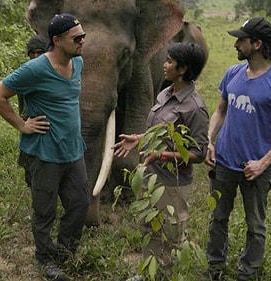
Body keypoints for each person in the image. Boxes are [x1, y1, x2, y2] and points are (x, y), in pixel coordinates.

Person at [0, 13, 89, 281]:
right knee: (44, 210)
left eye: (83, 36)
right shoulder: (35, 69)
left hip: (73, 150)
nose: (82, 41)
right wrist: (22, 125)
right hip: (45, 153)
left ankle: (65, 252)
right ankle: (44, 259)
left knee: (80, 204)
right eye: (76, 38)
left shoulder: (78, 63)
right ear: (56, 40)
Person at [204, 18, 271, 281]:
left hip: (255, 170)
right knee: (218, 217)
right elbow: (220, 109)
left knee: (255, 225)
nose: (236, 43)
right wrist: (210, 139)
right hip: (224, 162)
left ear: (257, 44)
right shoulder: (233, 73)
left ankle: (247, 272)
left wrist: (263, 163)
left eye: (241, 40)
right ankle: (214, 266)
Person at [112, 42, 209, 280]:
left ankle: (168, 275)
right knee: (148, 226)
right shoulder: (166, 93)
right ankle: (148, 273)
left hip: (173, 182)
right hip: (151, 175)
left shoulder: (195, 108)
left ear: (183, 69)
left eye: (169, 61)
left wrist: (162, 155)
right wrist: (138, 138)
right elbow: (162, 132)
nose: (164, 65)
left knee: (172, 233)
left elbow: (199, 154)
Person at [18, 34, 49, 187]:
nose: (36, 56)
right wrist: (23, 123)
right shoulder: (25, 73)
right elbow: (21, 103)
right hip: (32, 124)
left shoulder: (56, 71)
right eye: (32, 53)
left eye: (40, 52)